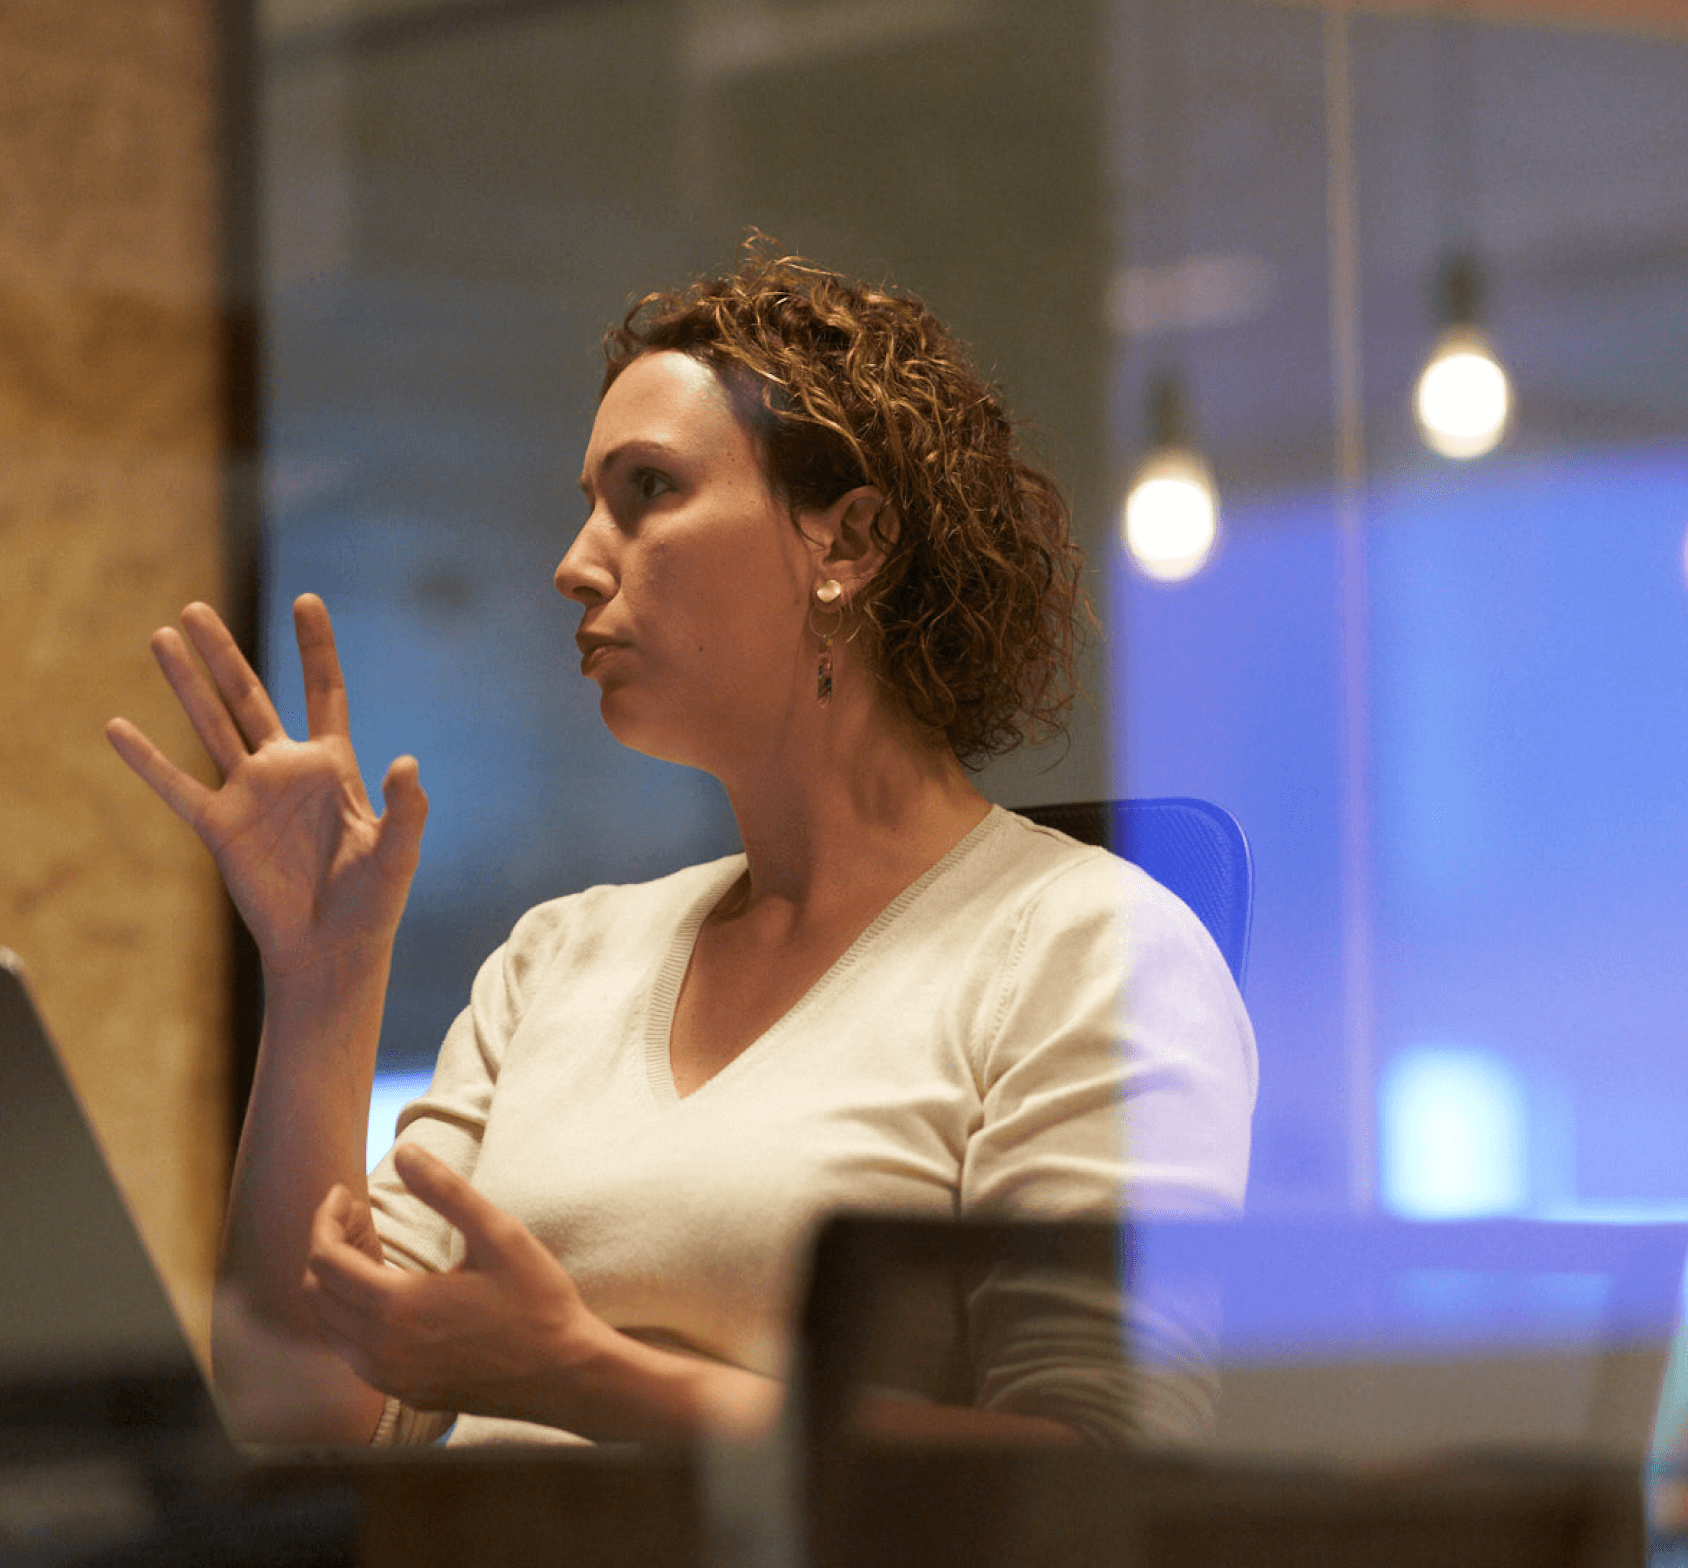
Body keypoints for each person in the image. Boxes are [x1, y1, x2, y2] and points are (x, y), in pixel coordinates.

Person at [106, 248, 1256, 1452]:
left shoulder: (1087, 949)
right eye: (591, 502)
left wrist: (578, 1374)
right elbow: (297, 1416)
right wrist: (321, 983)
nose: (574, 562)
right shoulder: (556, 958)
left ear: (847, 542)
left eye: (647, 489)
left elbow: (1098, 1482)